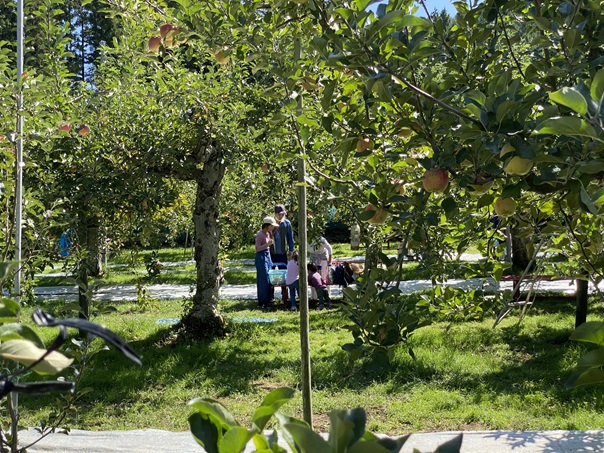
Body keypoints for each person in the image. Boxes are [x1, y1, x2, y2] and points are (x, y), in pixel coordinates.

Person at [255, 216, 279, 309]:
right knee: (263, 279)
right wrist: (267, 245)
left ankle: (269, 299)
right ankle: (262, 301)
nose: (273, 227)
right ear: (267, 225)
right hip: (261, 257)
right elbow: (257, 249)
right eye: (272, 226)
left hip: (267, 256)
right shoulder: (260, 234)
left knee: (269, 278)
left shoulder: (268, 234)